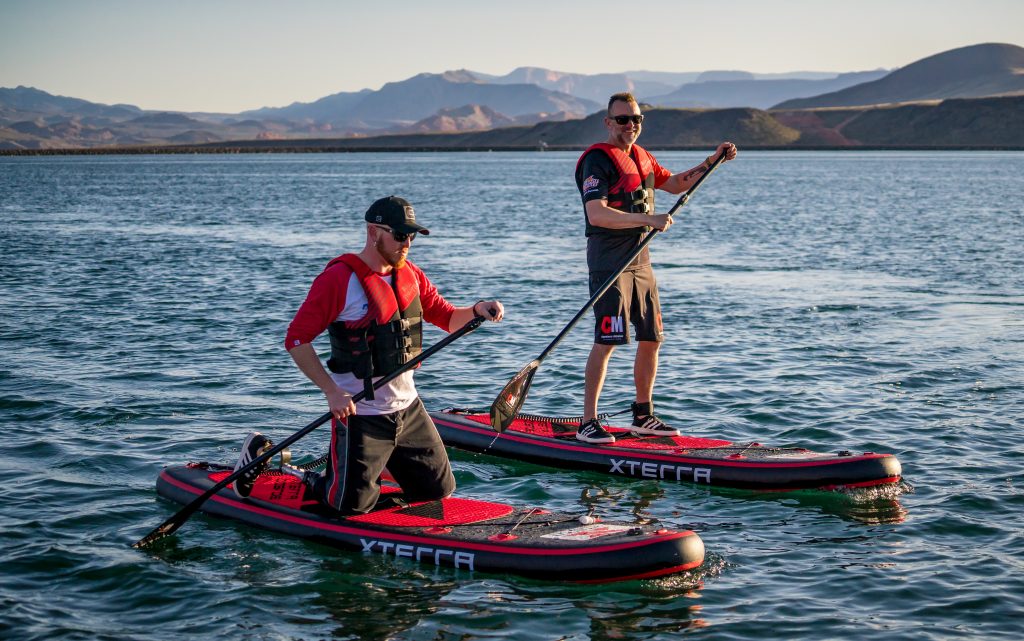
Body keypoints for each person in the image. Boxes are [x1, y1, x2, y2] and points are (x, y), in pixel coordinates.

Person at [232, 196, 504, 514]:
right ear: (374, 232)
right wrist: (331, 392)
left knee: (437, 490)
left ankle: (378, 466)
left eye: (412, 236)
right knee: (347, 506)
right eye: (400, 235)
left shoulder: (411, 275)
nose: (407, 243)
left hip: (409, 411)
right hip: (361, 415)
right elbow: (296, 340)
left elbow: (445, 317)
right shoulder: (339, 280)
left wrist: (477, 310)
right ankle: (281, 467)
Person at [573, 92, 737, 444]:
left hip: (641, 262)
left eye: (636, 119)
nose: (630, 125)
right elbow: (596, 213)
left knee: (652, 339)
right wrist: (650, 218)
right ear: (608, 123)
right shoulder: (597, 161)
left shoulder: (643, 158)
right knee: (607, 341)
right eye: (622, 120)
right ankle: (588, 422)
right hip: (609, 262)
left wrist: (713, 161)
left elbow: (676, 183)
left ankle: (642, 415)